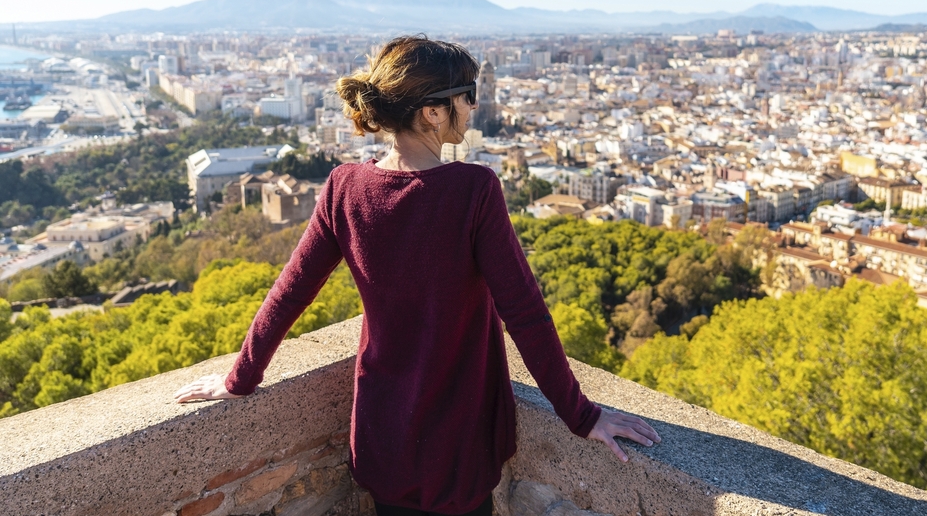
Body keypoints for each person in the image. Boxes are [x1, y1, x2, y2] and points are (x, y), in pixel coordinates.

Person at [174, 36, 659, 516]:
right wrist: (581, 415)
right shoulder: (473, 191)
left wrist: (242, 378)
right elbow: (525, 314)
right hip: (459, 439)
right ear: (432, 111)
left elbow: (290, 292)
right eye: (467, 94)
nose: (472, 105)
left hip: (383, 433)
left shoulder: (345, 186)